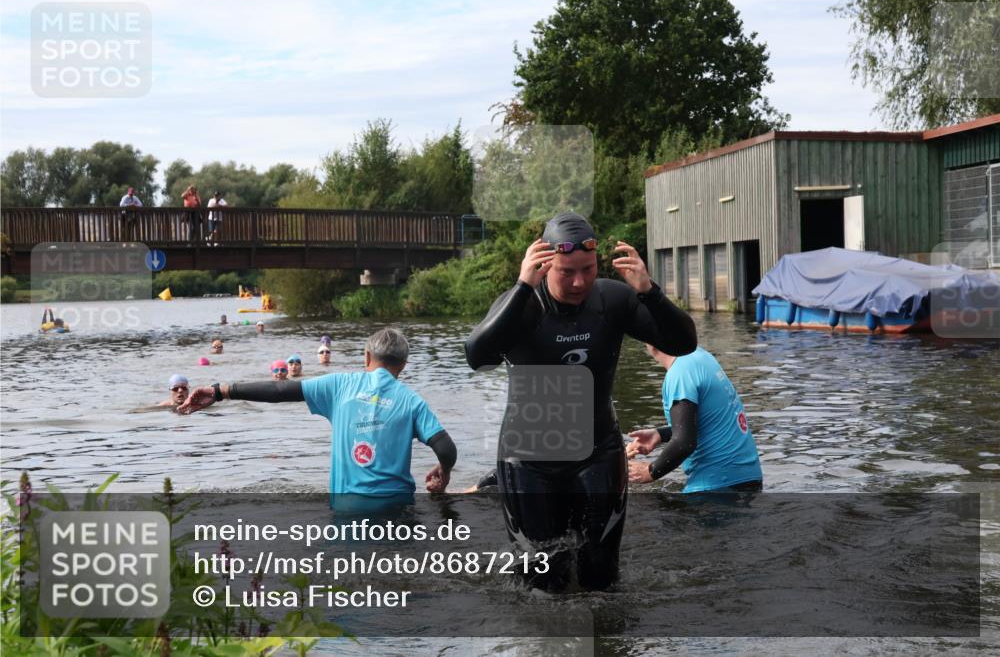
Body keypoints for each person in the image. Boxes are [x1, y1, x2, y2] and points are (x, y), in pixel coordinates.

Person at [464, 212, 697, 592]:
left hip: (597, 452)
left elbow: (685, 343)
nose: (579, 282)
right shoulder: (522, 304)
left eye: (587, 270)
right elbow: (476, 355)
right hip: (528, 460)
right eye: (566, 272)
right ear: (543, 265)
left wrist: (649, 291)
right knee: (542, 583)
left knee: (602, 578)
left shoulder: (612, 299)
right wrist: (523, 286)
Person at [179, 328, 457, 511]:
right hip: (398, 507)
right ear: (403, 365)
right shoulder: (411, 400)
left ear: (367, 356)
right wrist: (443, 473)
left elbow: (279, 391)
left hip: (349, 508)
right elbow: (446, 448)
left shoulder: (339, 385)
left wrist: (219, 391)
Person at [626, 345, 763, 492]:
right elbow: (706, 422)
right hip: (748, 478)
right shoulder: (698, 355)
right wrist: (659, 435)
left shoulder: (680, 373)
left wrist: (649, 472)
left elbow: (684, 443)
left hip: (717, 487)